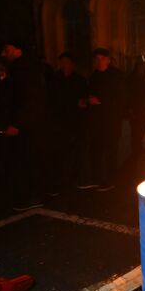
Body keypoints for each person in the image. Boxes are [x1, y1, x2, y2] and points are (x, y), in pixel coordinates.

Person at [0, 39, 48, 211]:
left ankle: (34, 195)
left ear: (18, 51)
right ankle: (33, 193)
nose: (3, 53)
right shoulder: (22, 69)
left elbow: (29, 99)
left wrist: (17, 123)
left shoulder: (24, 70)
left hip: (27, 126)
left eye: (7, 49)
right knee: (28, 159)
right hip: (28, 124)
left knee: (28, 159)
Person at [80, 48, 125, 191]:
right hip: (96, 122)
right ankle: (96, 178)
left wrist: (101, 101)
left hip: (111, 121)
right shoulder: (94, 76)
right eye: (96, 59)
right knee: (96, 150)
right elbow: (88, 93)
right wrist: (87, 100)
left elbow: (121, 98)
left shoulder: (117, 76)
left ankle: (111, 180)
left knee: (111, 151)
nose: (98, 61)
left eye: (101, 58)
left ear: (108, 60)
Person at [46, 52, 88, 193]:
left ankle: (73, 179)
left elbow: (83, 98)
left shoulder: (79, 80)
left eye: (67, 62)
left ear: (72, 64)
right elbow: (51, 100)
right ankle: (59, 181)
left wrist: (83, 103)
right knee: (59, 153)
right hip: (59, 122)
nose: (65, 65)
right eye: (62, 62)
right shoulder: (55, 80)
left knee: (75, 152)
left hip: (75, 122)